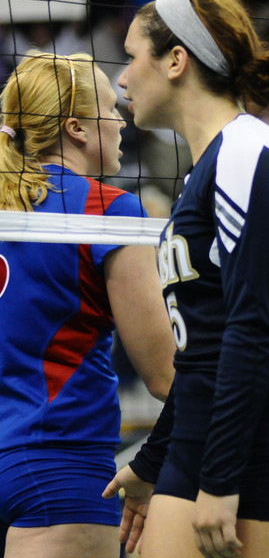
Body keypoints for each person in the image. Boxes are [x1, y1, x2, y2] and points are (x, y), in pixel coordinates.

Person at [102, 0, 269, 558]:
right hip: (209, 436)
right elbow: (203, 351)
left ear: (176, 61)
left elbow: (253, 326)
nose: (122, 78)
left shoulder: (245, 153)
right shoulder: (207, 168)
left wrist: (220, 481)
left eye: (132, 57)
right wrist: (151, 462)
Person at [0, 51, 174, 558]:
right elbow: (167, 377)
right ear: (75, 128)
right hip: (60, 463)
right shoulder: (107, 210)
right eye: (110, 108)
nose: (121, 121)